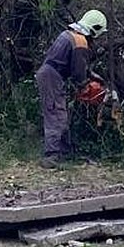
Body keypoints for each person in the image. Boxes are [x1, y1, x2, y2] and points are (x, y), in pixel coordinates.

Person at [35, 9, 107, 169]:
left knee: (60, 111)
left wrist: (94, 77)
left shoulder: (70, 35)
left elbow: (79, 66)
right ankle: (52, 155)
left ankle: (65, 151)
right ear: (95, 29)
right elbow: (78, 72)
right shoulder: (80, 42)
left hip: (50, 74)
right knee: (55, 113)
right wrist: (84, 85)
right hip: (52, 76)